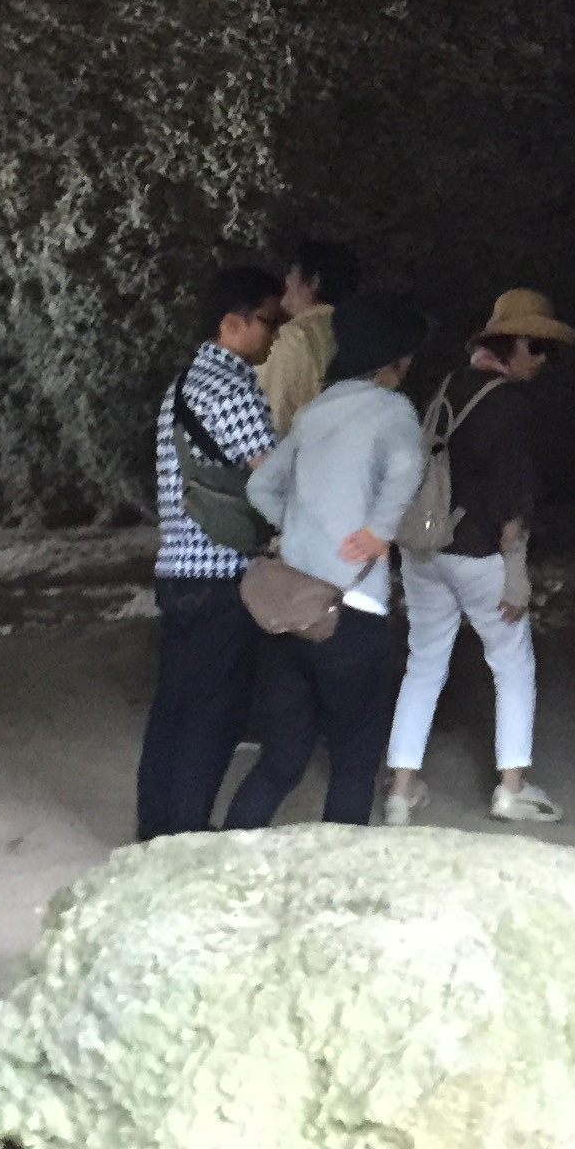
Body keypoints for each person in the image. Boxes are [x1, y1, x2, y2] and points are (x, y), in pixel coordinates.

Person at [224, 291, 429, 829]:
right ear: (394, 362)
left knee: (281, 759)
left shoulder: (317, 410)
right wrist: (379, 530)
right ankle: (339, 881)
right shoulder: (394, 410)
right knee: (355, 761)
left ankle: (224, 858)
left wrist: (297, 526)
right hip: (350, 608)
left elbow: (263, 486)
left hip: (288, 605)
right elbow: (409, 465)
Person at [382, 286, 575, 827]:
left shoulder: (448, 387)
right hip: (478, 555)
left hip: (425, 548)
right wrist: (516, 576)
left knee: (423, 665)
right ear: (512, 343)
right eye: (537, 348)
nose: (542, 361)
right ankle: (511, 789)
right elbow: (512, 503)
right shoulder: (511, 404)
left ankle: (401, 792)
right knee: (512, 663)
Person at [134, 265, 289, 839]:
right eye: (269, 321)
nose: (275, 335)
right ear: (232, 323)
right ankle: (186, 835)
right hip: (223, 575)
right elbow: (272, 482)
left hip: (177, 570)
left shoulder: (181, 388)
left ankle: (155, 831)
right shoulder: (231, 390)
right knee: (213, 717)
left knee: (173, 712)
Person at [257, 239, 358, 437]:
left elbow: (272, 422)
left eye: (293, 273)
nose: (286, 281)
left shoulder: (292, 339)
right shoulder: (350, 335)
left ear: (313, 282)